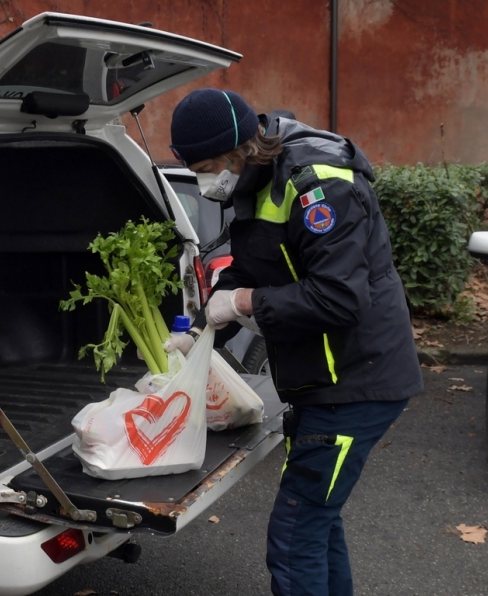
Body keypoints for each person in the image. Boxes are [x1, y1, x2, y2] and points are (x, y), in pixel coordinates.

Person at [165, 88, 423, 596]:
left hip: (356, 383)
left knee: (294, 535)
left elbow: (340, 298)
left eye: (208, 166)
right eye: (194, 169)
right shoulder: (256, 182)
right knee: (318, 522)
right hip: (319, 382)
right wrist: (204, 328)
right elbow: (249, 267)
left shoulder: (319, 185)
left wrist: (243, 304)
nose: (204, 180)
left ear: (239, 149)